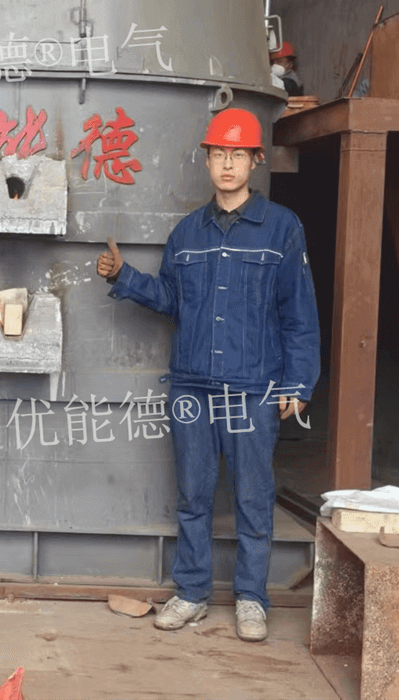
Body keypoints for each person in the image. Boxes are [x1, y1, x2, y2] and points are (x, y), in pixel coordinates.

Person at [96, 108, 319, 643]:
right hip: (193, 386)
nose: (227, 164)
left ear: (255, 161)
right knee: (193, 496)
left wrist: (298, 383)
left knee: (253, 497)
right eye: (219, 154)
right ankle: (192, 593)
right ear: (208, 161)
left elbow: (299, 313)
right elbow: (174, 299)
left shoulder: (282, 228)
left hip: (254, 388)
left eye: (237, 154)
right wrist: (125, 277)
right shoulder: (187, 233)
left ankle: (251, 599)